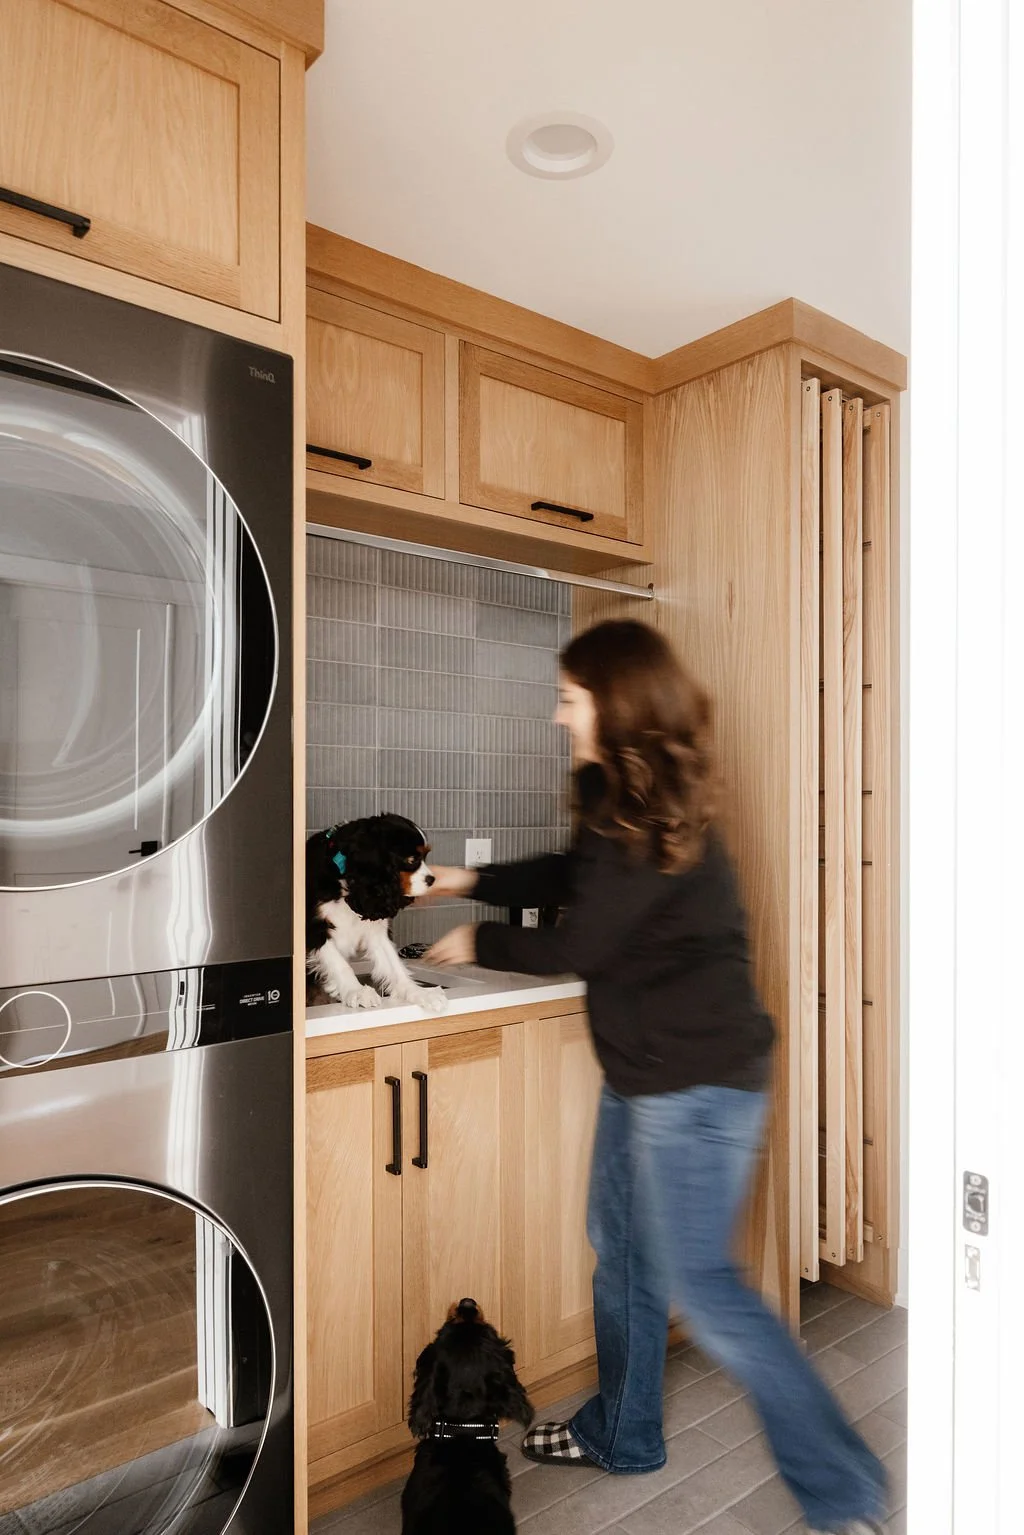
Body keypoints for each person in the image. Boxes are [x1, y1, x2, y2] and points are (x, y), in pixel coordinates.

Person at [423, 619, 888, 1535]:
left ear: (613, 700)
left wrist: (481, 935)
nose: (559, 717)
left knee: (707, 1290)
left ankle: (845, 1495)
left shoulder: (637, 811)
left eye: (569, 697)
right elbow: (578, 878)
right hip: (649, 1076)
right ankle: (624, 1431)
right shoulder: (623, 802)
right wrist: (465, 877)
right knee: (622, 1246)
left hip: (696, 1087)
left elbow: (582, 940)